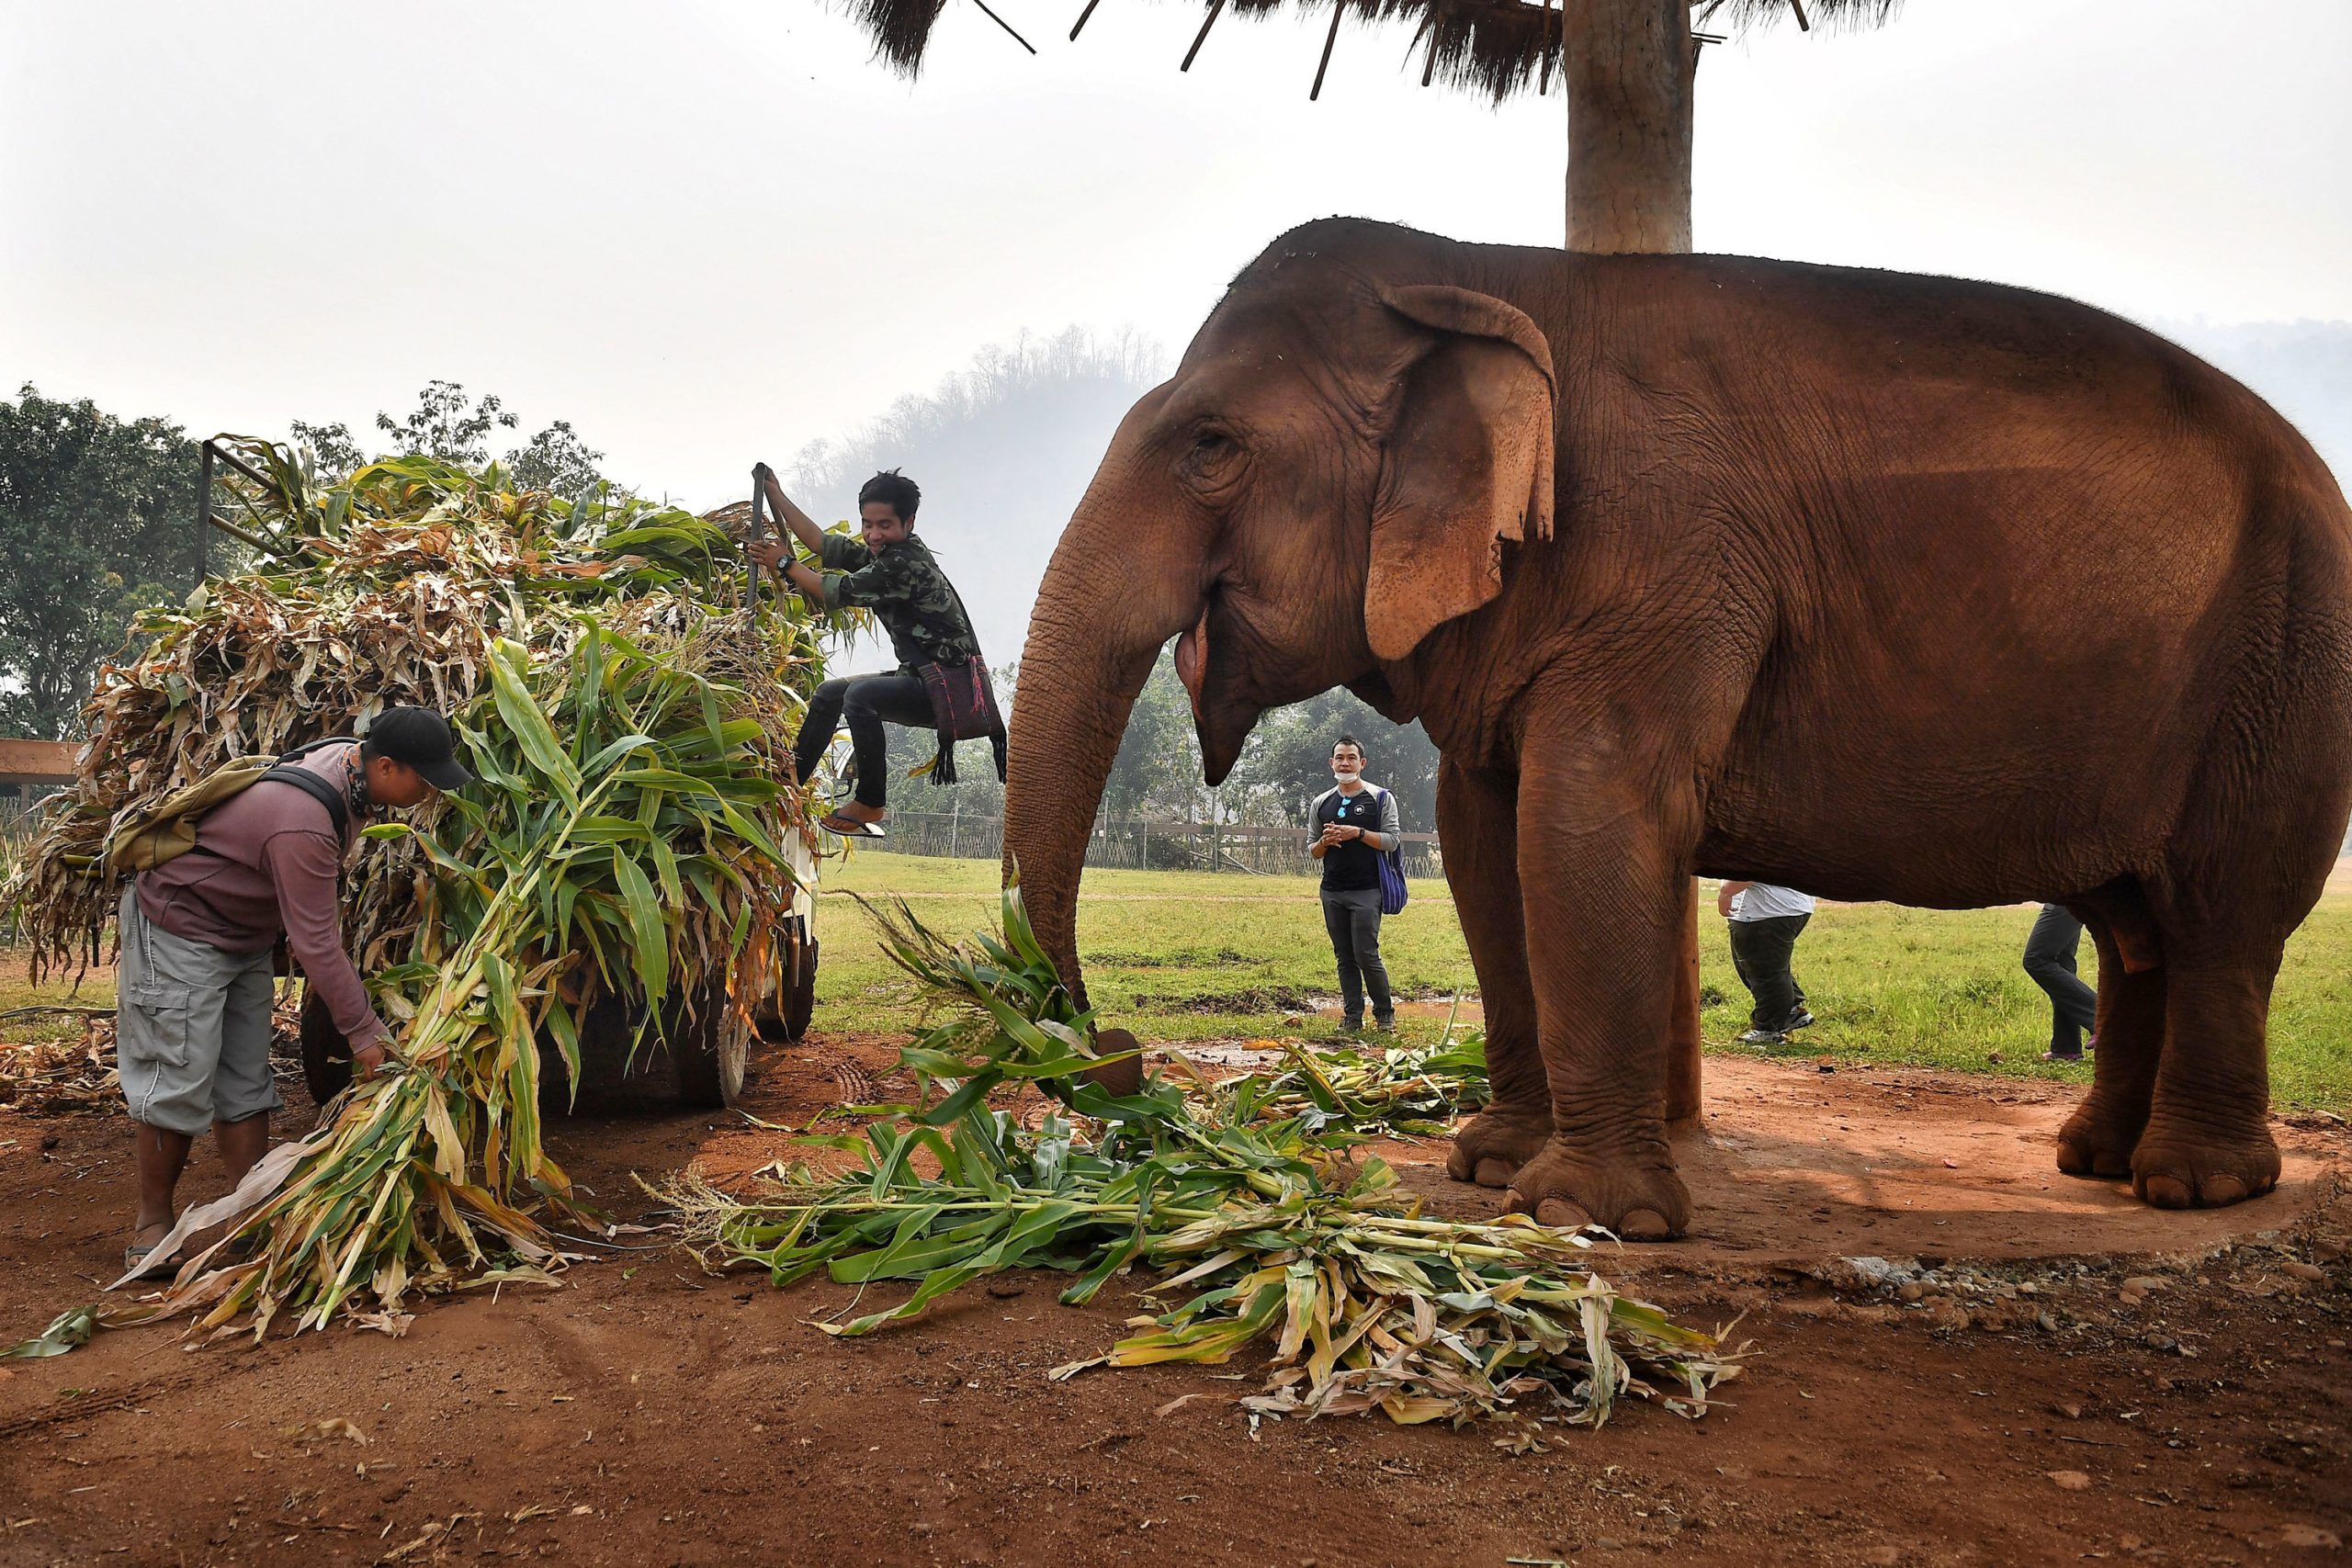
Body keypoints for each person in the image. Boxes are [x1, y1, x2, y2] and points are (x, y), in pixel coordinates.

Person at [119, 707, 471, 1277]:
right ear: (386, 766)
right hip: (180, 926)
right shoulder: (305, 819)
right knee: (177, 1076)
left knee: (244, 1079)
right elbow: (315, 943)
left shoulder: (351, 773)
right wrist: (365, 1034)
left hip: (244, 934)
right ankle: (151, 1226)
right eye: (423, 780)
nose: (430, 791)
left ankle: (248, 1216)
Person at [747, 465, 987, 838]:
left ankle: (871, 801)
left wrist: (782, 562)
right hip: (922, 678)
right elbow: (823, 545)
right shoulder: (888, 553)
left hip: (948, 691)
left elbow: (832, 591)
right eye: (867, 524)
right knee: (830, 693)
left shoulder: (903, 564)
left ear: (909, 522)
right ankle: (788, 782)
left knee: (860, 696)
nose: (874, 535)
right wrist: (777, 496)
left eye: (885, 525)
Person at [1309, 736, 1402, 1034]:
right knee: (1344, 956)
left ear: (1362, 763)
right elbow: (1312, 849)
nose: (1345, 763)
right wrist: (1326, 841)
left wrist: (1358, 833)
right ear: (1331, 763)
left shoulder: (1380, 798)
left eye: (1351, 757)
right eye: (1340, 757)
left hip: (1367, 890)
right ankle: (1352, 1018)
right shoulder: (1321, 803)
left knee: (1366, 952)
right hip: (1332, 889)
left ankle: (1385, 1015)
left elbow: (1392, 840)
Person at [1717, 880, 1816, 1046]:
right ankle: (1791, 1011)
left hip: (1767, 910)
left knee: (1765, 972)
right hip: (1781, 906)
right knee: (1765, 966)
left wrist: (1726, 892)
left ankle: (1768, 1029)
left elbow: (1751, 865)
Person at [2022, 903, 2098, 1061]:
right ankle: (2066, 1047)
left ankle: (2103, 1020)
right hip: (2070, 898)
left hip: (2066, 897)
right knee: (2061, 962)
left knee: (2036, 959)